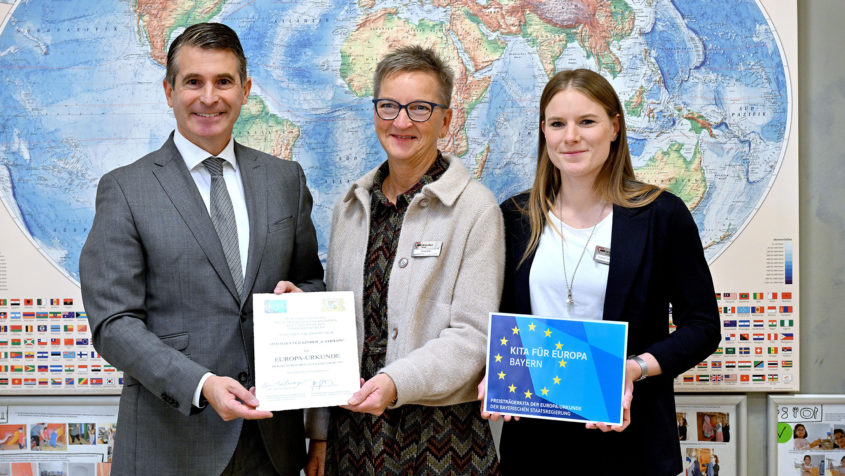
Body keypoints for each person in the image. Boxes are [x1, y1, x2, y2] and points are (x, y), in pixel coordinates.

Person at [79, 22, 324, 475]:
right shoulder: (125, 189)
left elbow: (310, 279)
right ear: (169, 90)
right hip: (170, 442)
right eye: (194, 82)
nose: (209, 97)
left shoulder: (284, 179)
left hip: (272, 445)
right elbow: (113, 322)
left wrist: (304, 300)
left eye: (223, 82)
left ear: (245, 90)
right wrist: (201, 384)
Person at [485, 68, 720, 475]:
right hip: (536, 445)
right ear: (544, 131)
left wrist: (633, 368)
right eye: (557, 124)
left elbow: (702, 326)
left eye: (586, 122)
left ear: (614, 127)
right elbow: (498, 320)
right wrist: (494, 369)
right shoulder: (516, 218)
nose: (570, 136)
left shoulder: (661, 216)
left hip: (633, 441)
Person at [309, 45, 504, 475]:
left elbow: (474, 338)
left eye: (419, 108)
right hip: (353, 440)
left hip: (440, 443)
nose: (401, 121)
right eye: (389, 106)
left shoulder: (476, 209)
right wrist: (320, 433)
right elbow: (340, 324)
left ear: (446, 119)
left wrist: (396, 383)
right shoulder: (351, 207)